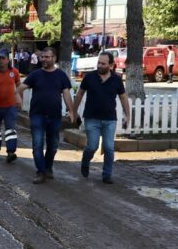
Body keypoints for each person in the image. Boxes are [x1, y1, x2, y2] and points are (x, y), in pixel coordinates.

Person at [16, 47, 75, 184]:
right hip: (37, 115)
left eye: (47, 57)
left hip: (54, 116)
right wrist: (18, 98)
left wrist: (71, 111)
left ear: (54, 58)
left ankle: (48, 167)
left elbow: (66, 94)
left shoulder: (61, 75)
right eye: (42, 57)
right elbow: (19, 89)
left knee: (53, 145)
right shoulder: (35, 75)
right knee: (37, 145)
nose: (44, 59)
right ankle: (40, 172)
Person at [72, 51, 131, 184]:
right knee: (92, 146)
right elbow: (80, 94)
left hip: (110, 119)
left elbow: (123, 97)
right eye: (98, 62)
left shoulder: (116, 79)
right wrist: (74, 112)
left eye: (103, 63)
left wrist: (128, 115)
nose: (99, 65)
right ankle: (85, 161)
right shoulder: (89, 77)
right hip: (92, 118)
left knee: (109, 147)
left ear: (111, 65)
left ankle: (107, 175)